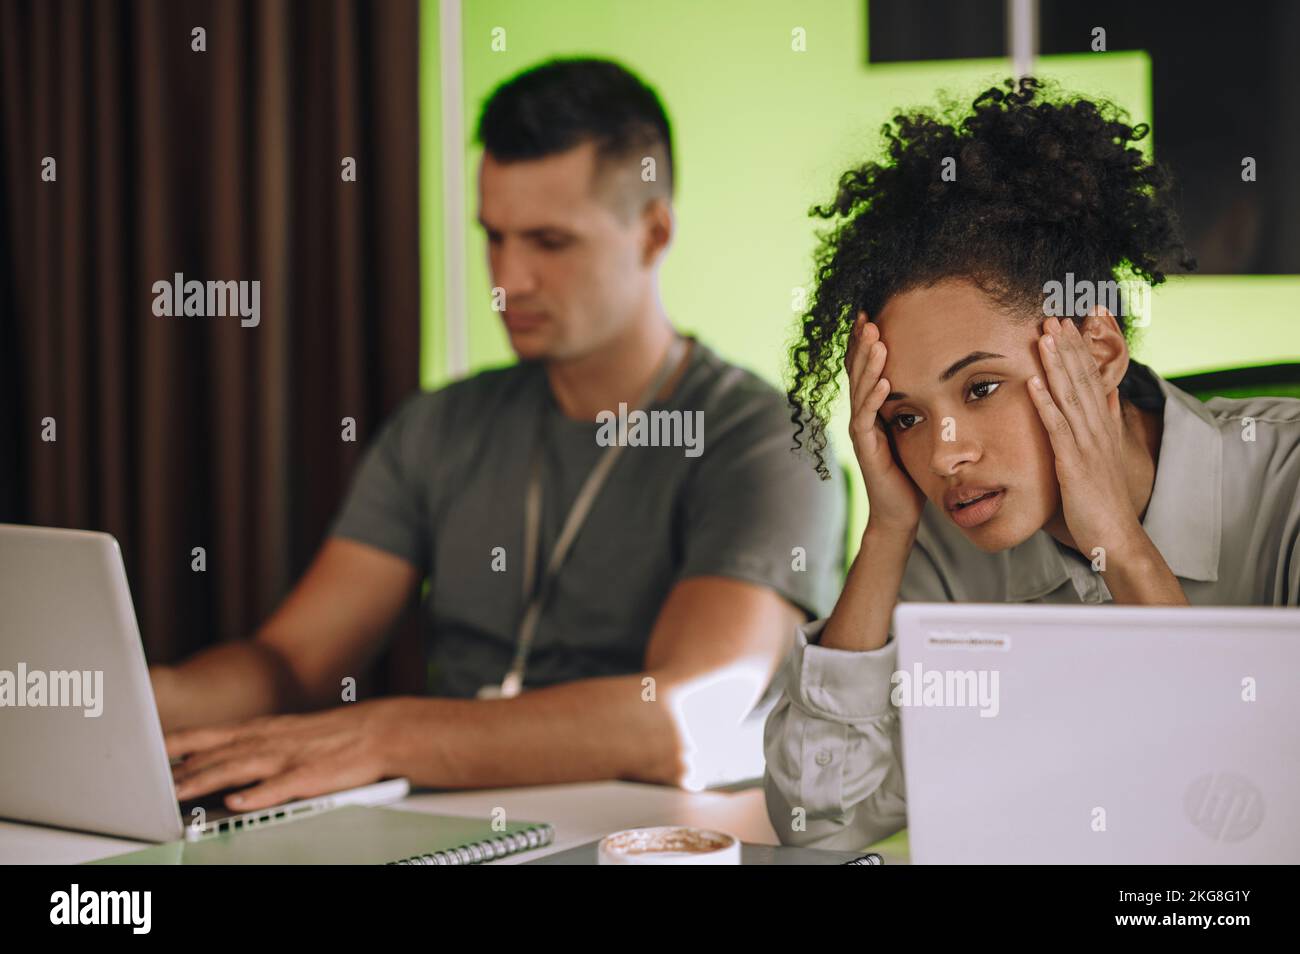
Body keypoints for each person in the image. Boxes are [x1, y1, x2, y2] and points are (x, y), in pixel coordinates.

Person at [151, 57, 844, 810]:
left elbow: (685, 716)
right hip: (450, 827)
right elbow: (291, 663)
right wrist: (137, 701)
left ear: (653, 234)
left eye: (549, 242)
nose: (508, 280)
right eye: (495, 237)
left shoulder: (766, 441)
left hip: (647, 838)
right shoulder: (440, 424)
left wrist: (386, 736)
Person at [764, 77, 1300, 849]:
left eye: (981, 387)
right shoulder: (946, 555)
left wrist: (1121, 544)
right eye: (905, 417)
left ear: (1100, 349)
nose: (945, 453)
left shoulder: (1283, 491)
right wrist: (885, 534)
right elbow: (817, 820)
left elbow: (1255, 816)